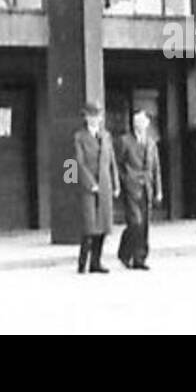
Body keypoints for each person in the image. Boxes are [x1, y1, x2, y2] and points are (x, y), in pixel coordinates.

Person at [72, 100, 120, 274]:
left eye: (97, 116)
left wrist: (115, 183)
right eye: (91, 116)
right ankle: (82, 262)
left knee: (103, 225)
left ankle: (96, 263)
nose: (95, 119)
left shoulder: (106, 136)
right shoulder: (79, 137)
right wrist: (90, 183)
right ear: (86, 117)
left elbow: (111, 160)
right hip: (89, 187)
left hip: (105, 185)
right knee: (89, 226)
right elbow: (78, 162)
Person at [116, 109, 163, 270]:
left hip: (147, 189)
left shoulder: (151, 143)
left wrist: (158, 190)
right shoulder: (125, 141)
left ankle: (139, 258)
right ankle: (125, 253)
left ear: (147, 124)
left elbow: (156, 168)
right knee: (135, 222)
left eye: (142, 122)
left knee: (144, 225)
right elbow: (118, 165)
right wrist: (125, 181)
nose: (140, 125)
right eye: (137, 122)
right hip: (131, 188)